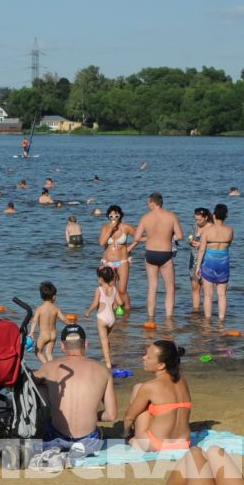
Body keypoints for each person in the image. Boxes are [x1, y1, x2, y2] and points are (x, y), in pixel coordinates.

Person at [34, 323, 116, 447]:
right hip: (88, 440)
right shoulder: (103, 370)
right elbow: (111, 416)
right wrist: (94, 415)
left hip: (55, 436)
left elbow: (28, 384)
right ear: (86, 344)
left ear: (62, 345)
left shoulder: (48, 367)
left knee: (41, 386)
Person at [125, 340, 191, 452]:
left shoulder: (149, 387)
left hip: (156, 445)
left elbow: (128, 417)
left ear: (161, 365)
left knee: (138, 388)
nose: (143, 357)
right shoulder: (183, 381)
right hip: (184, 443)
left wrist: (126, 435)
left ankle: (133, 439)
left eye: (149, 357)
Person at [136, 192, 183, 322]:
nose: (148, 205)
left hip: (150, 253)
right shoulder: (171, 216)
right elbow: (180, 236)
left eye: (148, 203)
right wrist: (168, 237)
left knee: (152, 287)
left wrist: (149, 237)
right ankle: (168, 317)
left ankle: (151, 317)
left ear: (153, 203)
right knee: (170, 288)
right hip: (165, 254)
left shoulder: (145, 217)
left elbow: (137, 237)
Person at [198, 203, 234, 328]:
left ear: (213, 215)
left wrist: (198, 267)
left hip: (209, 263)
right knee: (222, 294)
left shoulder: (207, 231)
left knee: (208, 294)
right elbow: (229, 245)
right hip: (223, 262)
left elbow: (201, 250)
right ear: (226, 216)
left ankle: (207, 322)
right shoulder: (229, 230)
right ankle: (221, 322)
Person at [97, 205, 136, 316]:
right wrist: (110, 230)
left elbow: (139, 236)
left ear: (120, 215)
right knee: (111, 290)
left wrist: (130, 247)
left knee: (122, 290)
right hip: (108, 262)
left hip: (122, 261)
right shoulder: (105, 227)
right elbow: (101, 243)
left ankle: (127, 313)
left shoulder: (126, 227)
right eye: (111, 215)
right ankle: (113, 313)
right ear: (108, 216)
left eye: (116, 215)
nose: (113, 217)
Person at [86, 266, 121, 367]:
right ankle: (107, 357)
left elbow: (95, 304)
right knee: (106, 339)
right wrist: (117, 307)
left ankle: (108, 363)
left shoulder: (99, 289)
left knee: (104, 341)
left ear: (100, 279)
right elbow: (120, 302)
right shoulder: (114, 289)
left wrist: (88, 311)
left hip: (102, 317)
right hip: (112, 318)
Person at [33, 282, 62, 362]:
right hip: (53, 335)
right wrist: (71, 324)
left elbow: (34, 321)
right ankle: (52, 369)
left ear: (41, 296)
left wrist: (31, 332)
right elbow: (63, 319)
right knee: (49, 353)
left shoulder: (40, 309)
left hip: (43, 335)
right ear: (54, 296)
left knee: (38, 352)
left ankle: (47, 366)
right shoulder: (56, 308)